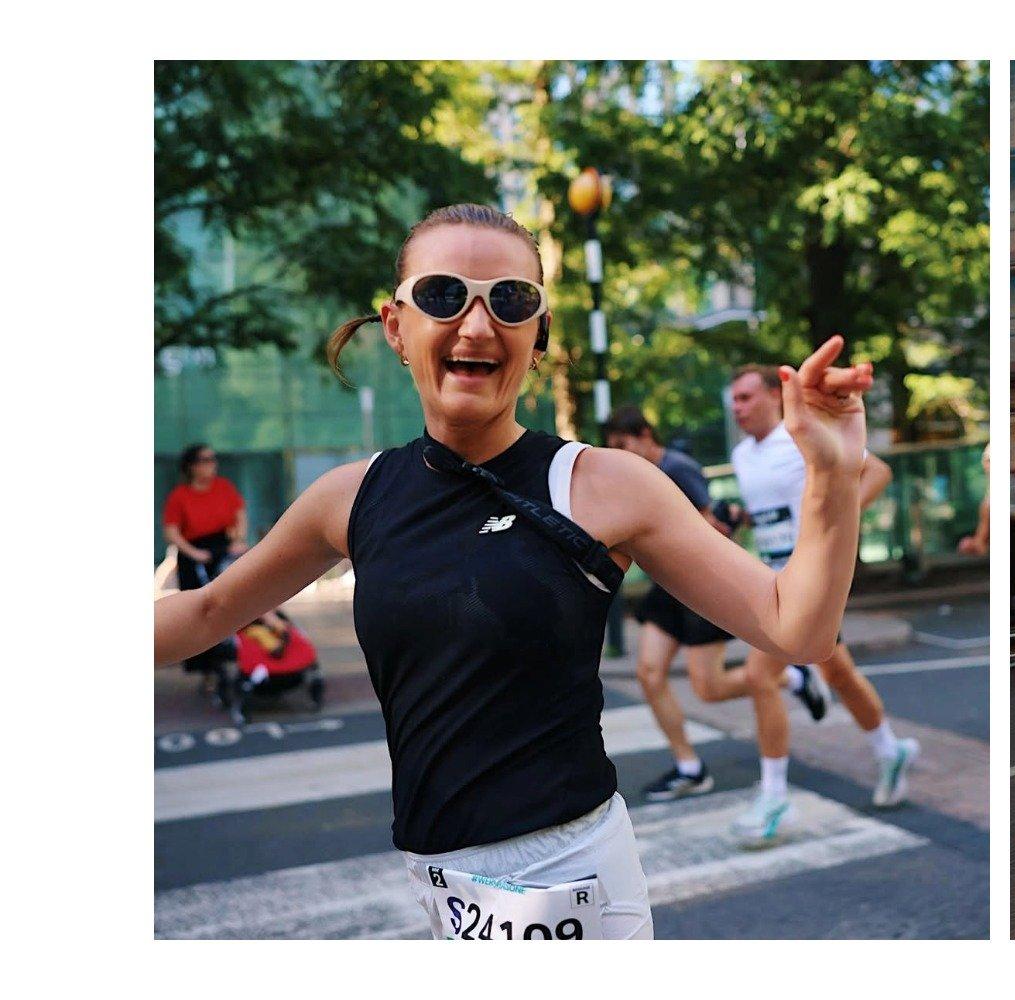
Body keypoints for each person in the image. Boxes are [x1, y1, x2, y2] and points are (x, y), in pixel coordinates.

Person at [154, 204, 873, 940]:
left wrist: (832, 473)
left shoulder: (603, 485)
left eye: (510, 300)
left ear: (537, 338)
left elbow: (798, 626)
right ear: (396, 327)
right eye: (442, 295)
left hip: (570, 880)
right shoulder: (350, 496)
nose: (475, 325)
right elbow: (209, 613)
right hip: (440, 885)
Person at [725, 364, 915, 846]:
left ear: (775, 395)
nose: (737, 407)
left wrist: (830, 525)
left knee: (759, 675)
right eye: (734, 399)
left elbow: (877, 471)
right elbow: (777, 512)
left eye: (746, 397)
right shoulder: (742, 455)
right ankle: (889, 749)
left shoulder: (801, 436)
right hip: (772, 577)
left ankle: (773, 797)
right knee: (838, 674)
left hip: (810, 579)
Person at [601, 406, 727, 802]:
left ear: (645, 434)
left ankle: (791, 677)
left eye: (623, 445)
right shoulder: (637, 477)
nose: (620, 453)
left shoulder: (679, 467)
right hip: (666, 589)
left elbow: (711, 526)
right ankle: (690, 767)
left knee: (710, 686)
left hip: (701, 585)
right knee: (649, 674)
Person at [162, 443, 251, 687]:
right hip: (195, 553)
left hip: (222, 547)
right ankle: (206, 666)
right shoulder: (180, 495)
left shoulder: (223, 487)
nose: (211, 464)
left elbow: (239, 513)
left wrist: (238, 539)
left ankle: (240, 652)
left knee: (235, 598)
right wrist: (194, 553)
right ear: (192, 466)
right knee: (198, 608)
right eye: (205, 460)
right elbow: (172, 532)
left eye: (213, 459)